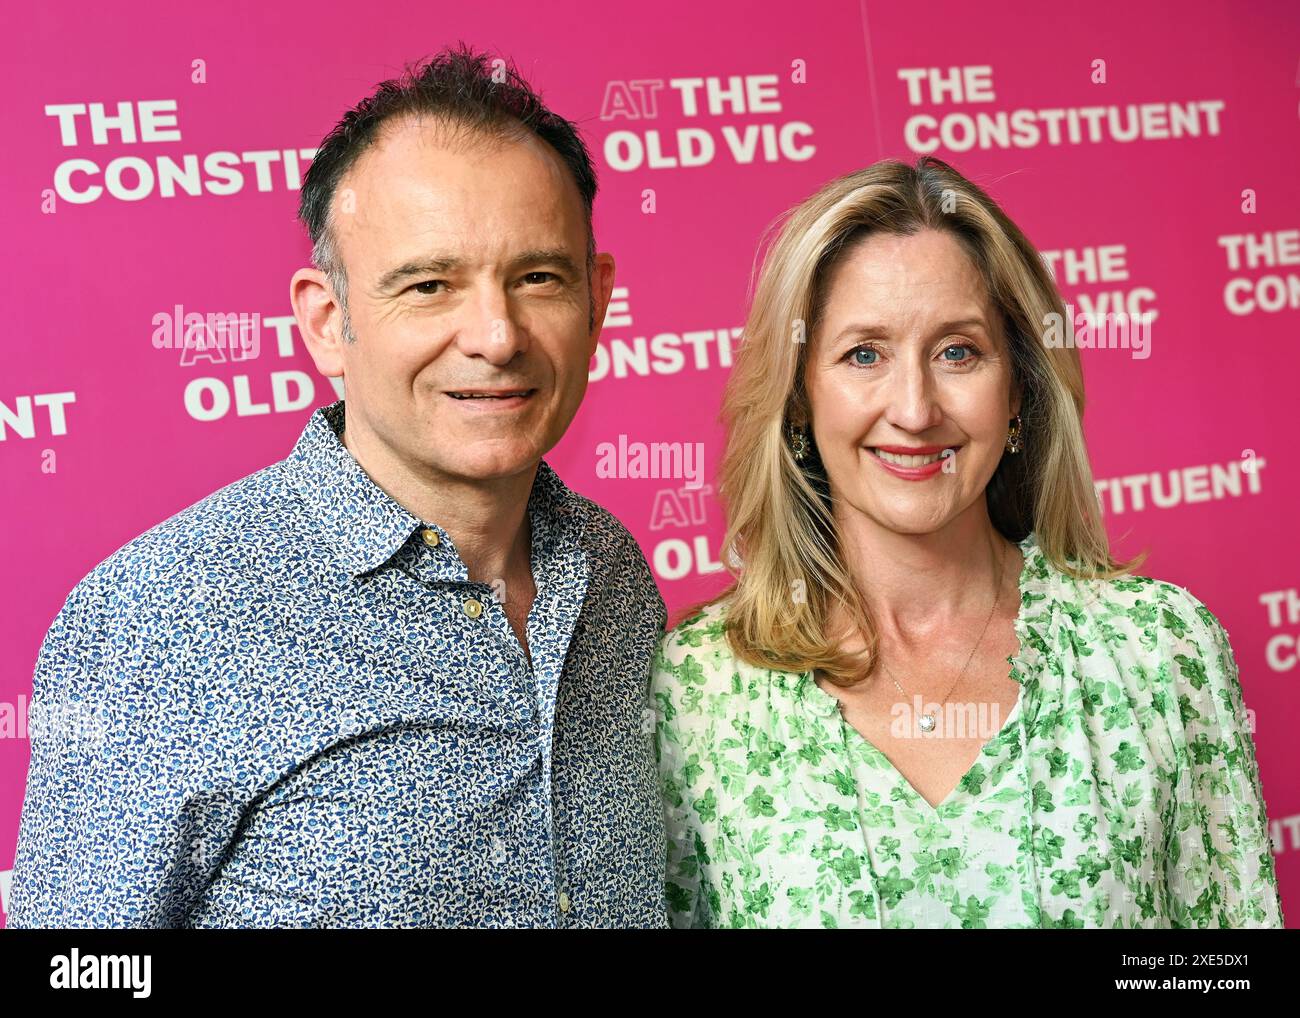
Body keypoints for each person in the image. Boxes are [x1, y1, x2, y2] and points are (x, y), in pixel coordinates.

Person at [8, 44, 668, 928]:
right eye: (428, 286)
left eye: (537, 278)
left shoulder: (612, 571)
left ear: (598, 299)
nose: (497, 336)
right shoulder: (157, 618)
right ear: (329, 322)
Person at [650, 156, 1284, 929]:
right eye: (864, 354)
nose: (914, 410)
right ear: (797, 394)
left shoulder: (1159, 650)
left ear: (1017, 388)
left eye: (958, 351)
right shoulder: (697, 690)